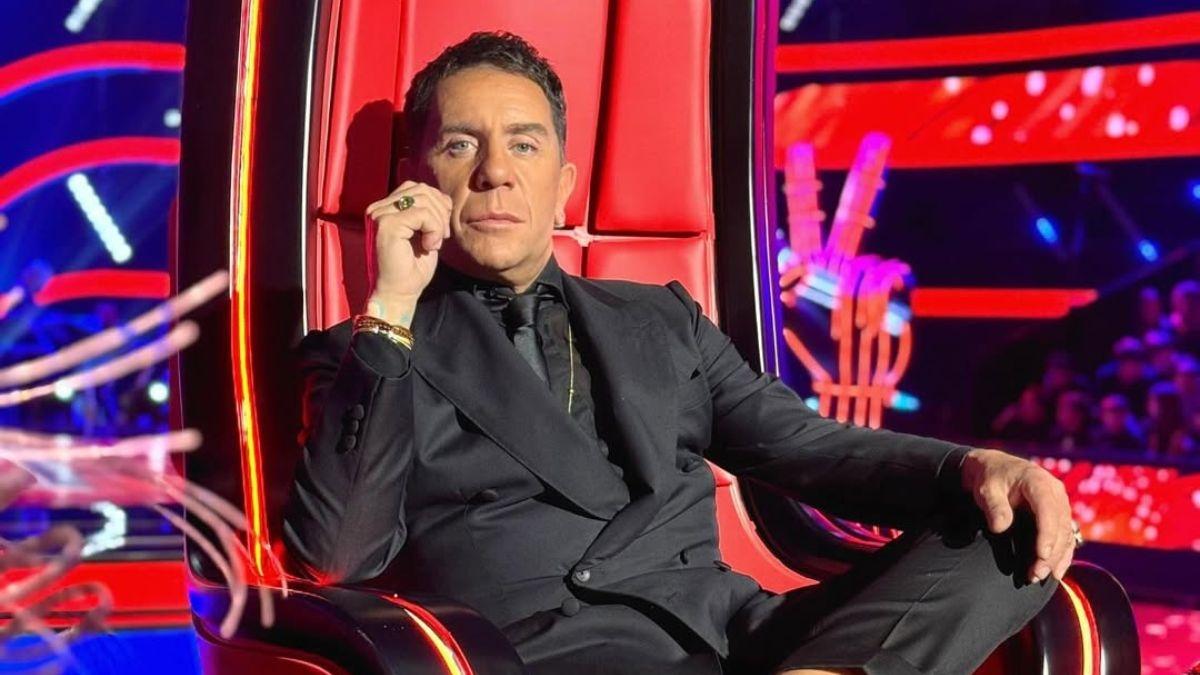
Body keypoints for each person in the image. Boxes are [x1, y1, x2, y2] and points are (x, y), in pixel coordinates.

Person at [283, 32, 1074, 675]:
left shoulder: (662, 319)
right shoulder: (364, 357)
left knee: (1010, 531)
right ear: (414, 178)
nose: (495, 173)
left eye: (524, 145)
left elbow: (814, 449)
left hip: (737, 638)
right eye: (461, 146)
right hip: (559, 657)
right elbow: (338, 556)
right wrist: (392, 307)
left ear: (563, 183)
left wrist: (970, 466)